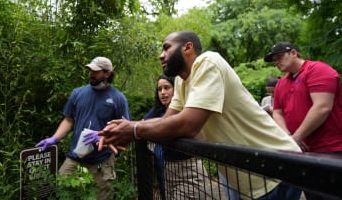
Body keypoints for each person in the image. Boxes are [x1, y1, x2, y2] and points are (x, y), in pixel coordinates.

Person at [98, 31, 302, 200]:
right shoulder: (180, 81)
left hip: (277, 168)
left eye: (166, 47)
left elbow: (188, 125)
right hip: (248, 178)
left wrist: (134, 130)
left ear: (188, 48)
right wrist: (125, 128)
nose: (161, 55)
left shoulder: (208, 62)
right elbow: (167, 121)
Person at [35, 56, 131, 200]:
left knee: (101, 196)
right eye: (90, 70)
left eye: (96, 71)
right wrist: (54, 138)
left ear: (107, 74)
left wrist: (103, 137)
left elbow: (125, 130)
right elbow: (68, 120)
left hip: (101, 160)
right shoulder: (78, 93)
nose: (91, 74)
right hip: (75, 157)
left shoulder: (118, 98)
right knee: (61, 190)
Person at [264, 42, 342, 200]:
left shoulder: (318, 69)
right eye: (274, 60)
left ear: (293, 52)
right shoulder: (281, 84)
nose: (276, 62)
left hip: (329, 150)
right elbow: (277, 113)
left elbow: (322, 107)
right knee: (312, 195)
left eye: (279, 57)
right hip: (302, 152)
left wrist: (296, 138)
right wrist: (289, 137)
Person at [144, 75, 215, 200]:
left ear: (176, 89)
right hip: (168, 171)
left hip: (189, 170)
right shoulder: (157, 111)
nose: (163, 93)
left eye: (167, 88)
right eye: (159, 89)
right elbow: (143, 124)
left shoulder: (187, 109)